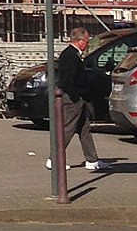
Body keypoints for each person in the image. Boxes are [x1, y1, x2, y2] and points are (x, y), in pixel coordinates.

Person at [47, 27, 110, 173]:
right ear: (80, 41)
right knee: (67, 129)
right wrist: (76, 97)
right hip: (72, 99)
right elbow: (68, 80)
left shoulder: (73, 55)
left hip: (77, 98)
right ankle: (54, 159)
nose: (87, 44)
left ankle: (92, 160)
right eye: (86, 41)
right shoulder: (70, 56)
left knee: (84, 129)